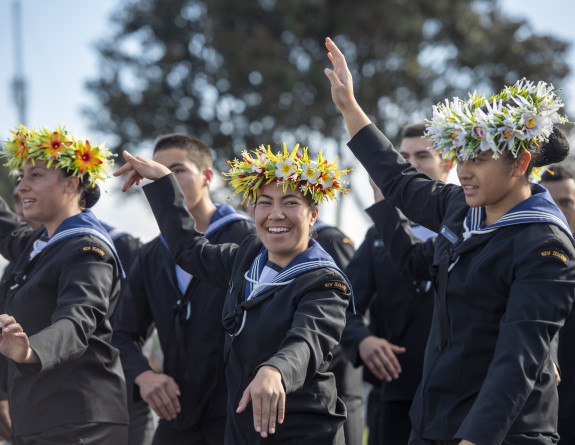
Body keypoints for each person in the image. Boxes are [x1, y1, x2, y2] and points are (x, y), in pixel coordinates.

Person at [325, 37, 575, 445]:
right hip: (433, 422)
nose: (462, 171)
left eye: (478, 158)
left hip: (503, 432)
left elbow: (517, 360)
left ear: (521, 163)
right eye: (459, 156)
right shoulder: (462, 207)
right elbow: (399, 180)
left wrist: (476, 438)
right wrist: (350, 108)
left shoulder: (545, 245)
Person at [115, 143, 353, 444]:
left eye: (290, 203)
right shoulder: (247, 258)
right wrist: (164, 182)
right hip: (242, 431)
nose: (275, 215)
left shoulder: (325, 281)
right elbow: (189, 249)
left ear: (313, 214)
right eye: (264, 203)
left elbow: (307, 340)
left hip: (303, 432)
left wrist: (275, 370)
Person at [112, 134, 256, 444]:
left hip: (238, 416)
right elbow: (122, 333)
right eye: (157, 172)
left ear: (207, 176)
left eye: (176, 171)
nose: (165, 181)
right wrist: (144, 375)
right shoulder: (150, 254)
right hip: (176, 417)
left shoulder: (249, 238)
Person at [0, 125, 129, 444]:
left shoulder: (88, 249)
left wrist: (31, 350)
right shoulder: (38, 243)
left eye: (36, 176)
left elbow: (78, 320)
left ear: (72, 183)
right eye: (21, 177)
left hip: (80, 422)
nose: (22, 187)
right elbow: (4, 230)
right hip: (35, 418)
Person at [343, 122, 452, 445]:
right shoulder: (378, 235)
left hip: (457, 395)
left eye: (423, 155)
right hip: (393, 398)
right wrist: (361, 339)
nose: (411, 165)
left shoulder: (472, 228)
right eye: (403, 157)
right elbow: (339, 303)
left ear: (448, 163)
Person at [540, 165, 575, 444]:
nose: (557, 212)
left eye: (566, 203)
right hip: (541, 414)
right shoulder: (522, 263)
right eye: (548, 203)